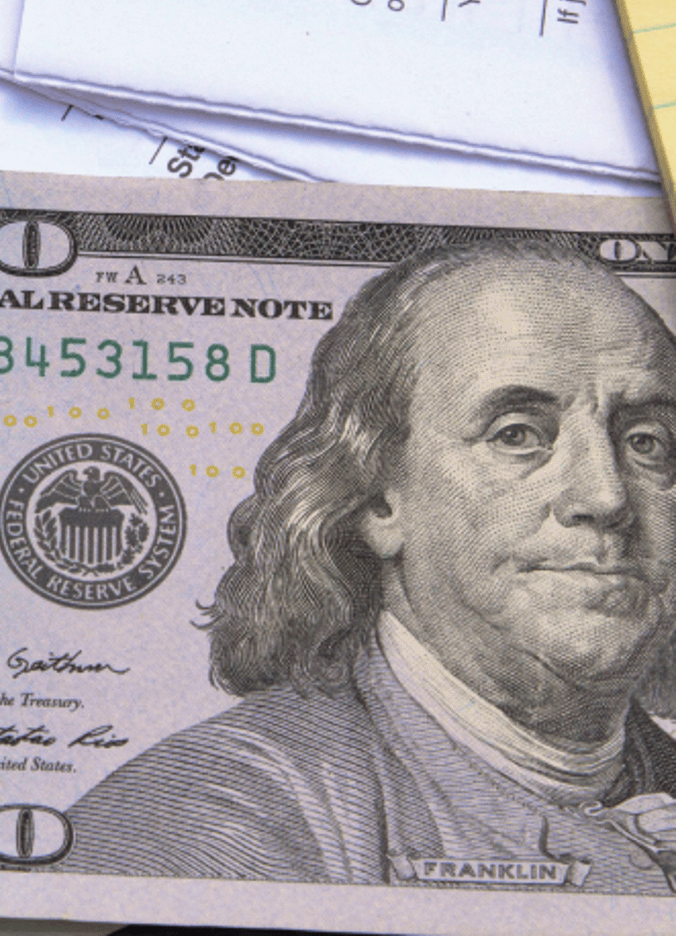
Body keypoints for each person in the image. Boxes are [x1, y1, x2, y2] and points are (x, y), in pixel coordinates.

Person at [64, 237, 676, 892]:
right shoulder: (205, 822)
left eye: (647, 441)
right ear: (380, 495)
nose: (607, 495)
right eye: (516, 434)